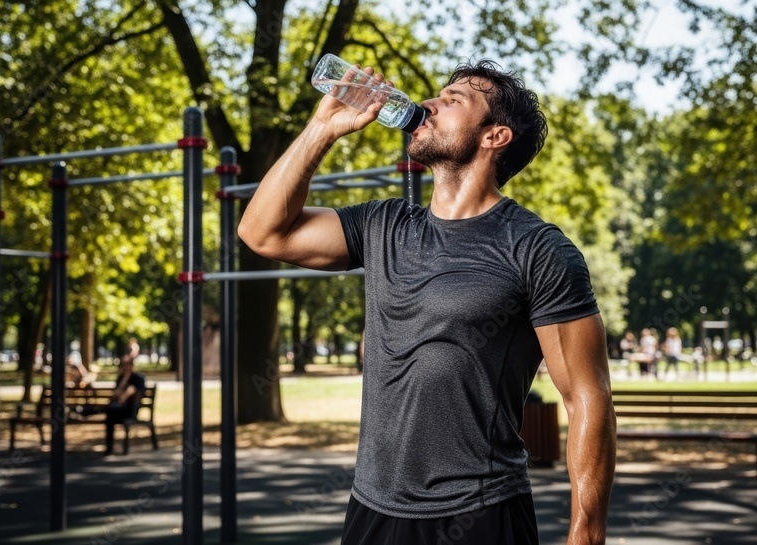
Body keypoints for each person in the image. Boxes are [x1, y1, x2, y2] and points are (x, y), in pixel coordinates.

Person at [239, 60, 615, 545]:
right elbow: (261, 232)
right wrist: (321, 129)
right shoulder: (384, 226)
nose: (430, 105)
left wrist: (587, 534)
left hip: (480, 514)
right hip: (373, 510)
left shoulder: (537, 249)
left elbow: (588, 395)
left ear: (494, 137)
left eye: (454, 99)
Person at [103, 354, 145, 456]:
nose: (125, 367)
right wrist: (124, 380)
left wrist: (127, 394)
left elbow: (136, 393)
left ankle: (92, 411)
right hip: (117, 409)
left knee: (108, 411)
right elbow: (116, 394)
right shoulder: (121, 378)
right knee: (109, 418)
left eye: (127, 364)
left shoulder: (138, 378)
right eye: (123, 365)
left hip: (130, 409)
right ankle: (109, 448)